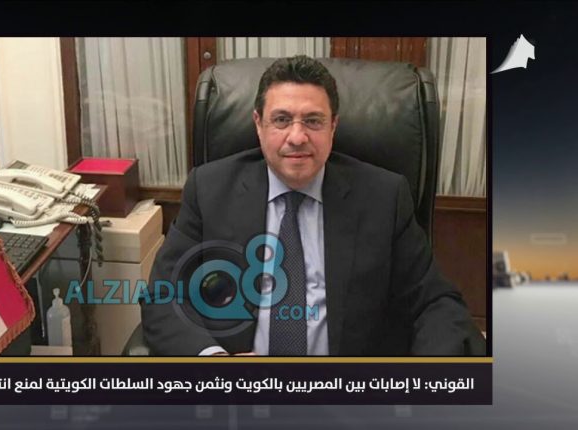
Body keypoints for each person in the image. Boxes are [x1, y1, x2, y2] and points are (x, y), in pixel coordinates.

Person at [140, 55, 477, 356]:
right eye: (281, 120)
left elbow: (436, 303)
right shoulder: (210, 189)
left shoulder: (384, 197)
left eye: (313, 121)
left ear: (333, 126)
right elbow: (164, 295)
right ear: (258, 124)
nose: (297, 137)